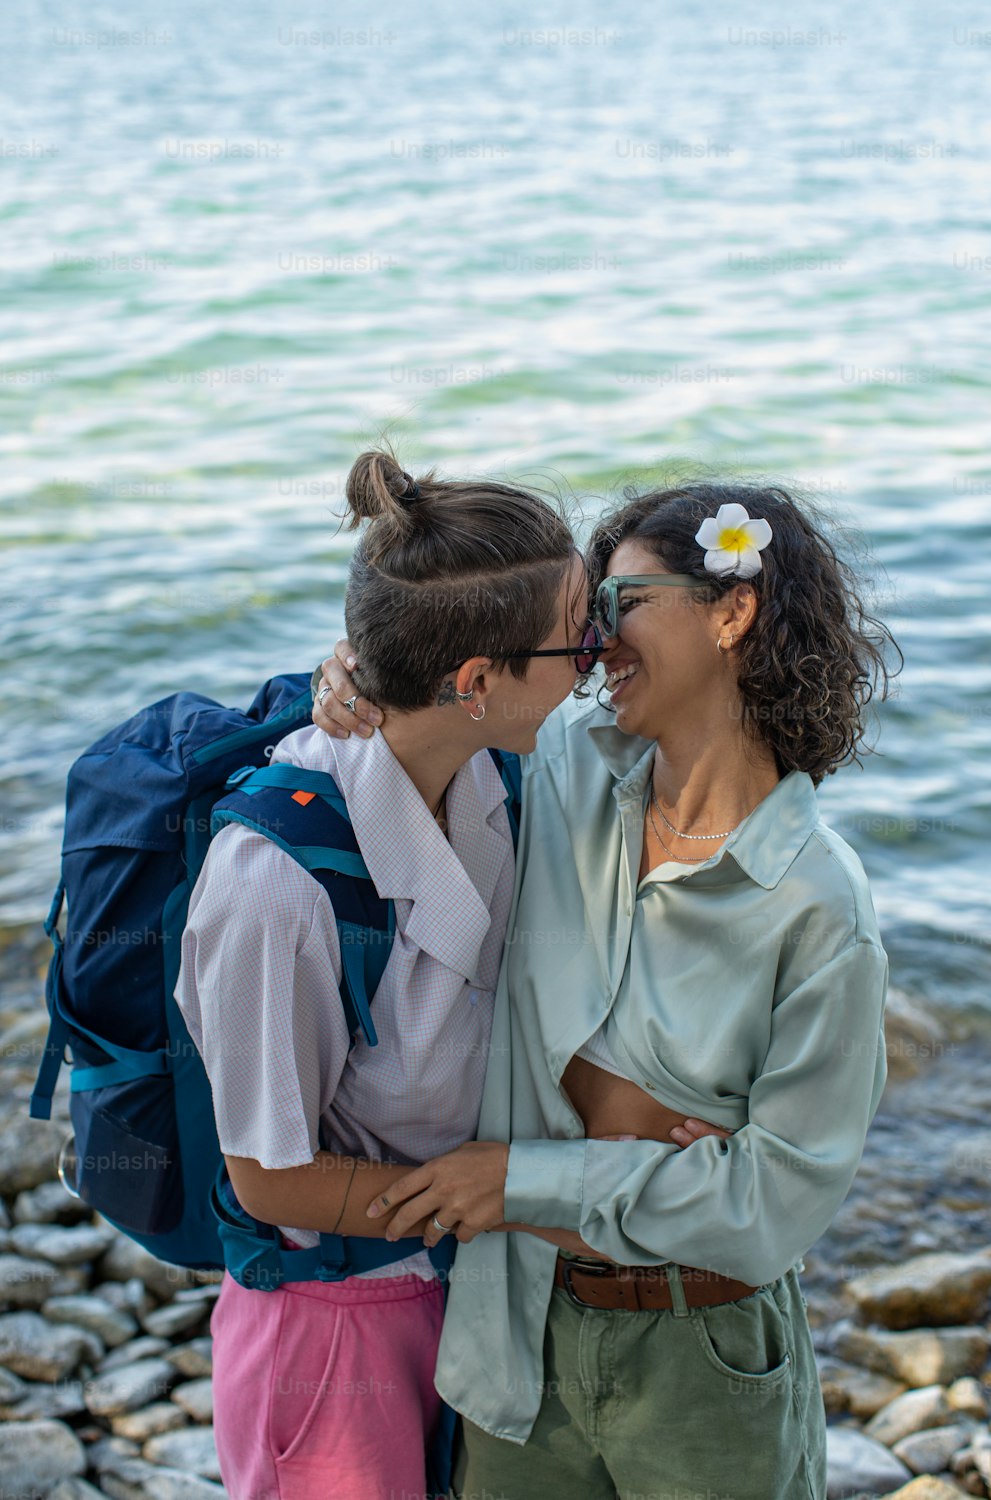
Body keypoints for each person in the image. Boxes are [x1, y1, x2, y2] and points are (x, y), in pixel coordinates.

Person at [312, 479, 899, 1500]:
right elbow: (449, 690)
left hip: (704, 1358)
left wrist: (518, 1180)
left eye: (619, 608)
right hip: (515, 1328)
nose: (590, 648)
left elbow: (766, 1208)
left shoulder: (817, 904)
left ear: (730, 610)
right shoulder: (558, 769)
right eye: (586, 620)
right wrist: (350, 684)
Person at [174, 449, 606, 1500]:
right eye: (577, 640)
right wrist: (511, 1200)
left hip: (454, 1281)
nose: (600, 655)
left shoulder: (496, 770)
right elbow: (267, 1179)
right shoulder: (273, 888)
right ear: (474, 684)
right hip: (328, 1326)